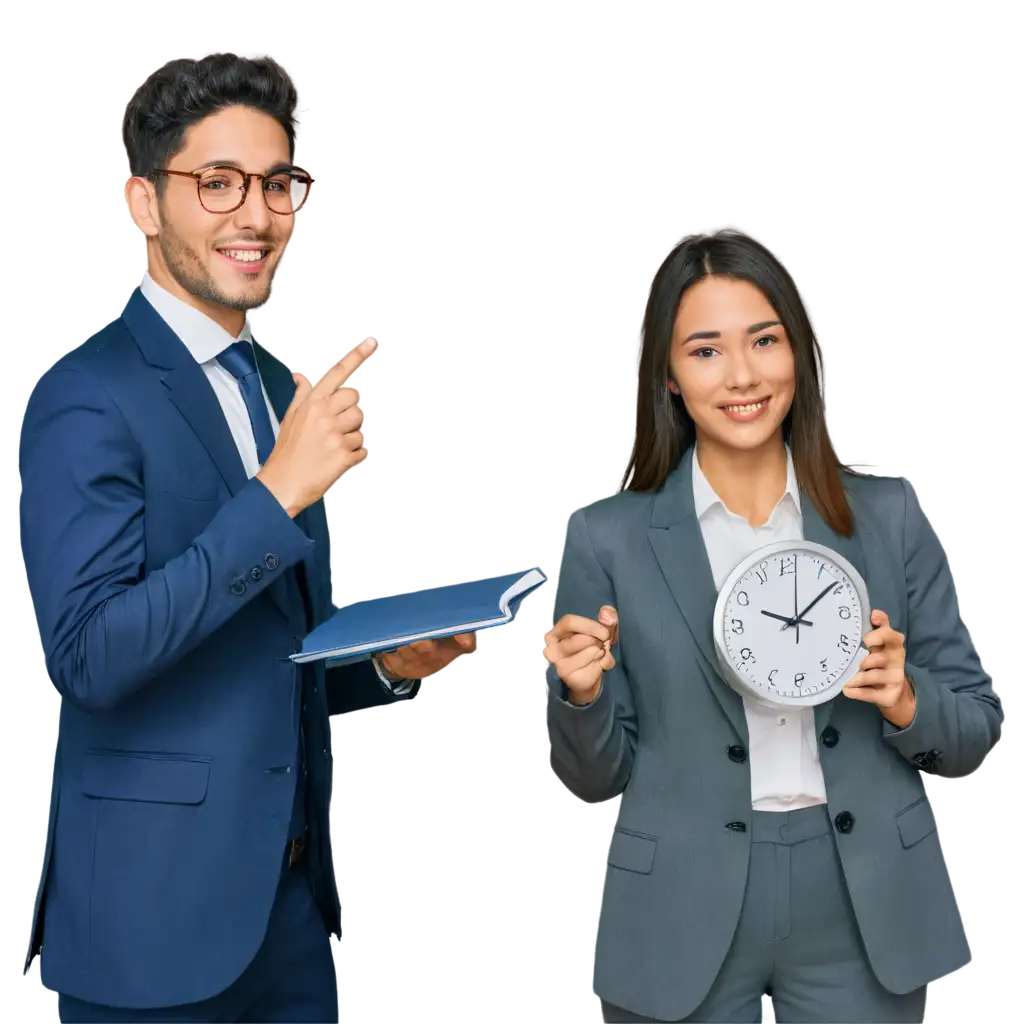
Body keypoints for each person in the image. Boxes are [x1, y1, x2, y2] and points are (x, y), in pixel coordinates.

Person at [16, 53, 477, 1023]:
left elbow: (269, 647)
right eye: (216, 183)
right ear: (142, 204)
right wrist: (277, 495)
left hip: (289, 915)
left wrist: (388, 664)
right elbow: (88, 657)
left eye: (276, 183)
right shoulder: (83, 393)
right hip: (151, 934)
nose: (257, 214)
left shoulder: (271, 382)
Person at [541, 229, 1000, 1023]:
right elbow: (591, 781)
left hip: (859, 904)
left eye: (764, 340)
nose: (743, 376)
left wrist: (903, 698)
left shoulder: (885, 519)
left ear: (800, 354)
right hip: (683, 907)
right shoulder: (604, 538)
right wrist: (579, 696)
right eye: (707, 351)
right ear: (670, 377)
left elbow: (973, 736)